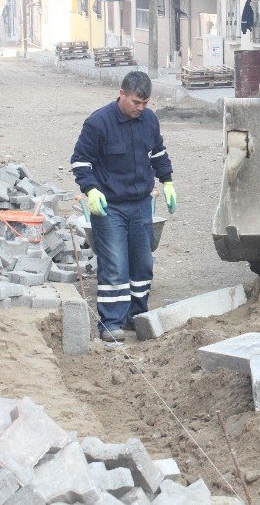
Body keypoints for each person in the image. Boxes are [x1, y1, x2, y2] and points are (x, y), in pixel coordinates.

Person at [71, 71, 177, 343]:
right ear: (121, 93)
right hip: (110, 207)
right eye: (135, 102)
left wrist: (166, 182)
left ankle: (136, 316)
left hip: (141, 204)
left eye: (145, 103)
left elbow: (158, 152)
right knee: (115, 265)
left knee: (142, 264)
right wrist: (91, 190)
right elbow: (80, 161)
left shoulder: (149, 120)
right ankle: (111, 324)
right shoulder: (98, 123)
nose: (140, 109)